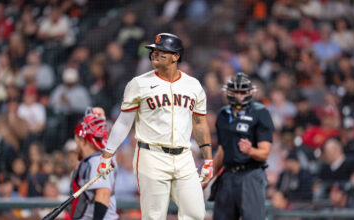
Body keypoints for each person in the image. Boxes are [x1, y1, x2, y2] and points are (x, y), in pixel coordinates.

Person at [97, 33, 213, 220]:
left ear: (176, 56)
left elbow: (200, 123)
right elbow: (124, 121)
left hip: (184, 157)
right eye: (153, 51)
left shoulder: (193, 85)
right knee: (154, 216)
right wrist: (107, 153)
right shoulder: (139, 84)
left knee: (196, 214)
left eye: (161, 51)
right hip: (151, 155)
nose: (154, 54)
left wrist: (208, 159)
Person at [212, 72, 274, 220]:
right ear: (228, 92)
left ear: (250, 92)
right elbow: (222, 150)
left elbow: (265, 153)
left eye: (243, 92)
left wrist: (250, 150)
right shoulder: (223, 115)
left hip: (250, 174)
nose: (239, 95)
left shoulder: (260, 113)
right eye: (235, 91)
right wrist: (208, 177)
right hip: (227, 175)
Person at [70, 108, 118, 220]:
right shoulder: (97, 158)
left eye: (77, 142)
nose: (76, 147)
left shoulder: (97, 160)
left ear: (83, 141)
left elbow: (103, 194)